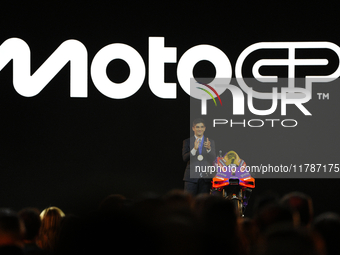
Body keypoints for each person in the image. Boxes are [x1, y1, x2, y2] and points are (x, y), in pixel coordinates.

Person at [182, 118, 216, 196]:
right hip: (191, 178)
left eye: (201, 127)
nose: (199, 129)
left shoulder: (209, 142)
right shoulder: (187, 141)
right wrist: (194, 149)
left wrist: (209, 149)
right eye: (197, 127)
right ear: (193, 128)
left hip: (205, 178)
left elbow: (213, 158)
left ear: (204, 128)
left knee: (203, 203)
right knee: (189, 202)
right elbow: (185, 158)